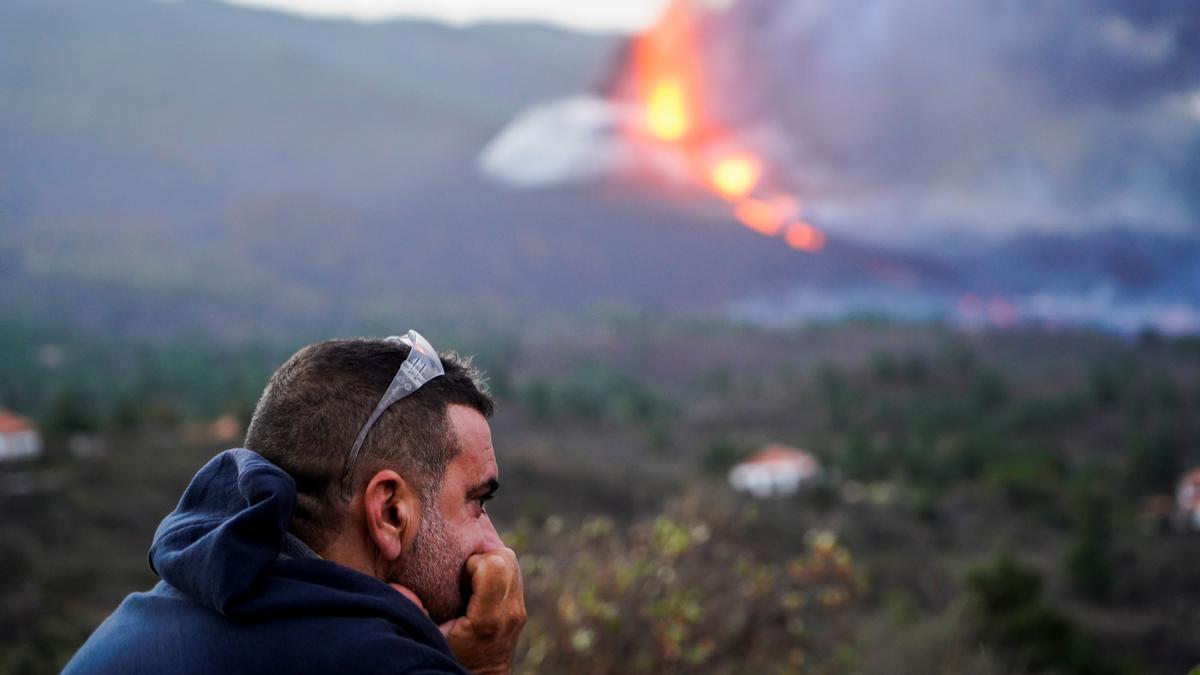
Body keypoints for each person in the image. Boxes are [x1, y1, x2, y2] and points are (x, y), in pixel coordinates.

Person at [64, 332, 526, 674]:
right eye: (477, 502)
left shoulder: (152, 613)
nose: (493, 545)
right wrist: (485, 666)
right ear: (390, 512)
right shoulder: (378, 662)